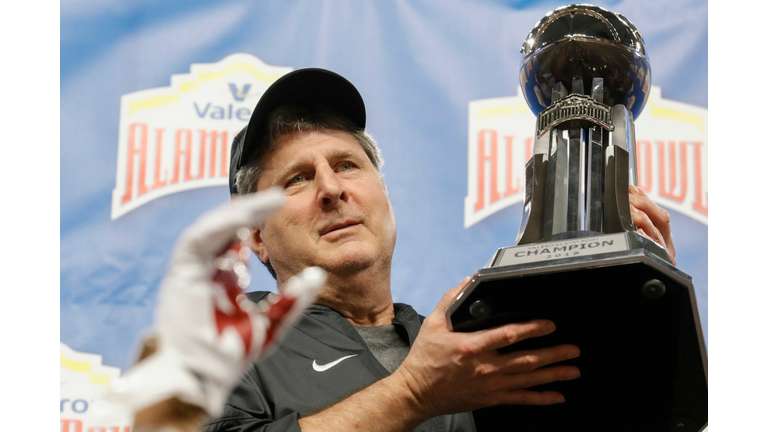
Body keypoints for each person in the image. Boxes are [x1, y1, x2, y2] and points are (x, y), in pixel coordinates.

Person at [201, 68, 677, 432]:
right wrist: (412, 393)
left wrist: (636, 301)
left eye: (347, 165)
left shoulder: (464, 343)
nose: (331, 188)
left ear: (383, 195)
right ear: (256, 237)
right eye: (297, 179)